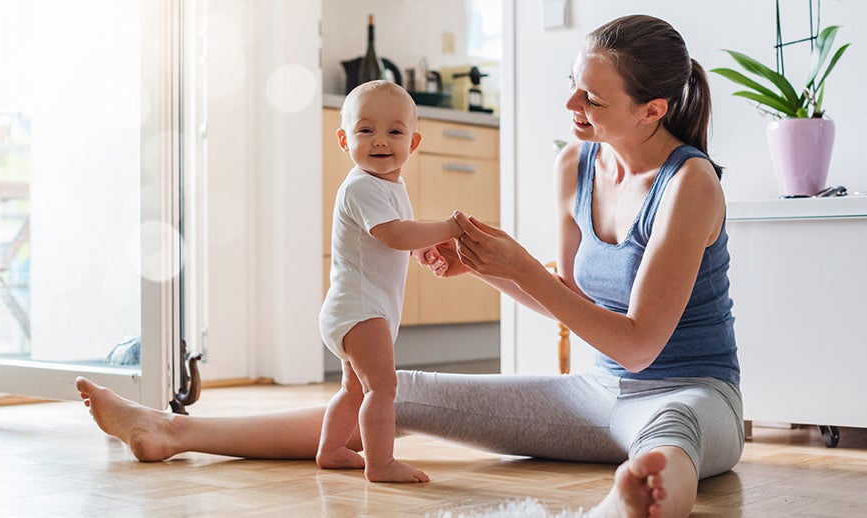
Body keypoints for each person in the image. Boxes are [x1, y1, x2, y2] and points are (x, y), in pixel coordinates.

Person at [75, 14, 742, 517]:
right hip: (594, 397)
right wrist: (483, 264)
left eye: (592, 101)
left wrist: (520, 268)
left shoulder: (690, 185)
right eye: (574, 88)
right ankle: (168, 430)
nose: (572, 108)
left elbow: (639, 342)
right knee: (386, 388)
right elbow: (570, 301)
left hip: (691, 393)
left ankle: (645, 494)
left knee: (669, 433)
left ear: (653, 109)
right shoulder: (576, 163)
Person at [315, 80, 460, 483]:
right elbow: (394, 234)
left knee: (354, 389)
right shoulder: (361, 186)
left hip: (356, 307)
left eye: (394, 132)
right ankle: (380, 464)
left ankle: (330, 450)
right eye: (366, 130)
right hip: (361, 310)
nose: (380, 141)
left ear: (413, 143)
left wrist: (420, 249)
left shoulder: (390, 185)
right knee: (383, 387)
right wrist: (447, 228)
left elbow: (396, 236)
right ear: (344, 140)